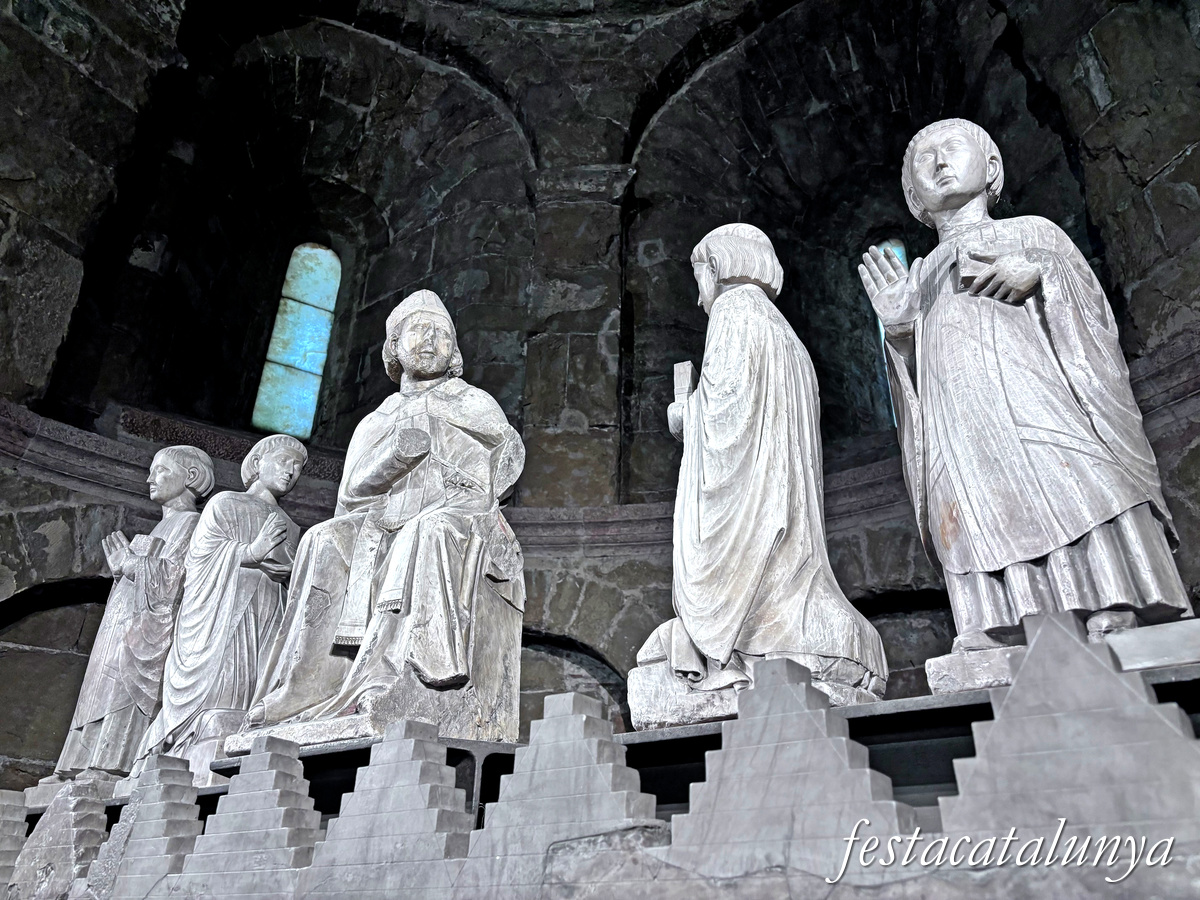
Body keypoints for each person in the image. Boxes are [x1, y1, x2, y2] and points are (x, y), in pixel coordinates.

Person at [859, 118, 1192, 651]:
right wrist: (899, 331)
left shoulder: (1033, 233)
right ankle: (1000, 620)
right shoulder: (919, 275)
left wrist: (1040, 272)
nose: (940, 163)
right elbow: (914, 389)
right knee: (972, 502)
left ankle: (1115, 598)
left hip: (1034, 394)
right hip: (962, 424)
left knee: (1071, 478)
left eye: (952, 149)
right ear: (913, 198)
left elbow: (1092, 317)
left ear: (991, 167)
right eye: (924, 161)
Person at [247, 289, 525, 729]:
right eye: (420, 329)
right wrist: (396, 456)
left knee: (425, 530)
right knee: (322, 539)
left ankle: (396, 676)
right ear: (394, 345)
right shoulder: (378, 418)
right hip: (380, 522)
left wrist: (454, 476)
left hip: (456, 519)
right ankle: (306, 684)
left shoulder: (474, 403)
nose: (433, 340)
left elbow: (504, 468)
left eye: (443, 334)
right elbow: (353, 495)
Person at [636, 223, 888, 707]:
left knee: (728, 592)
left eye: (699, 280)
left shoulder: (733, 314)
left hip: (752, 510)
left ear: (717, 267)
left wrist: (684, 416)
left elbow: (730, 420)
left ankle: (733, 642)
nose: (698, 300)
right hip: (788, 506)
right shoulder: (781, 330)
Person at [48, 446, 214, 779]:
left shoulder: (192, 524)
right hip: (120, 620)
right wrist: (124, 569)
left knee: (119, 691)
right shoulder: (159, 528)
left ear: (191, 477)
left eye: (162, 470)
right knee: (97, 686)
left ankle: (109, 764)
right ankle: (74, 764)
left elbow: (179, 578)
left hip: (145, 631)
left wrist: (133, 564)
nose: (150, 478)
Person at [136, 434, 306, 756]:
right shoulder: (226, 503)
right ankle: (188, 743)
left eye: (297, 467)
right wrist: (251, 552)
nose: (291, 472)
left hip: (269, 613)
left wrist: (290, 572)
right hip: (222, 616)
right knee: (223, 687)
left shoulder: (292, 526)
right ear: (257, 463)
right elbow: (198, 560)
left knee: (254, 684)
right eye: (284, 461)